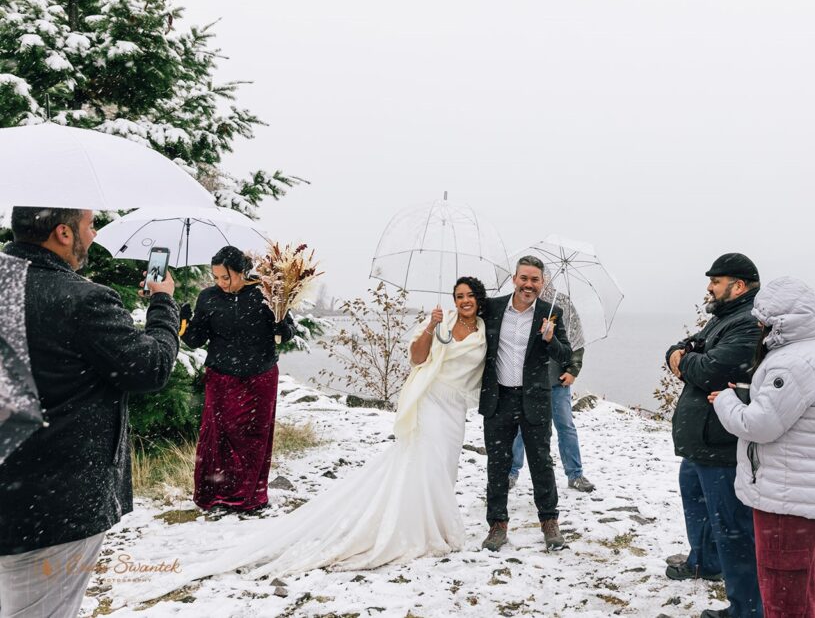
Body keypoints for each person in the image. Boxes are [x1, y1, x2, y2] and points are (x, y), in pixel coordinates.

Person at [114, 277, 488, 603]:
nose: (463, 301)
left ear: (478, 299)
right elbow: (417, 358)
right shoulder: (441, 321)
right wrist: (430, 327)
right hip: (428, 399)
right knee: (420, 459)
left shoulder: (486, 331)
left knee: (444, 462)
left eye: (469, 295)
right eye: (458, 295)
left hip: (455, 407)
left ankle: (438, 519)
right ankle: (413, 525)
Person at [0, 206, 179, 618]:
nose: (94, 235)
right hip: (50, 502)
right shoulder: (81, 299)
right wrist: (164, 303)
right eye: (89, 226)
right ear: (63, 232)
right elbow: (149, 368)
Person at [710, 277, 815, 618]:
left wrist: (724, 400)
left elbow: (760, 425)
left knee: (783, 597)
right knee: (809, 594)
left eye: (763, 316)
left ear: (782, 319)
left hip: (787, 499)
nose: (758, 324)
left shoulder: (791, 362)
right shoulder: (811, 353)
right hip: (804, 493)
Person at [664, 253, 763, 618]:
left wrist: (686, 360)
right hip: (701, 440)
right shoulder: (723, 318)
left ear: (737, 286)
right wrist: (682, 353)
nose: (708, 287)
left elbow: (711, 370)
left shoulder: (749, 323)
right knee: (697, 503)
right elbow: (682, 348)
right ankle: (704, 562)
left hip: (721, 441)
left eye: (715, 281)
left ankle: (748, 609)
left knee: (732, 526)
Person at [179, 245, 297, 513]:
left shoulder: (267, 294)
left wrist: (281, 328)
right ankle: (216, 496)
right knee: (217, 438)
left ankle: (248, 497)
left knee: (254, 438)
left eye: (226, 277)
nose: (221, 283)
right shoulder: (208, 297)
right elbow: (196, 340)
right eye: (216, 277)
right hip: (221, 377)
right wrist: (183, 321)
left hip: (260, 377)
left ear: (243, 272)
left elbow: (288, 330)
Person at [479, 256, 572, 552]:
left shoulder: (551, 313)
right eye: (524, 278)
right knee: (498, 463)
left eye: (534, 280)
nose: (528, 285)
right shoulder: (493, 308)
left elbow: (566, 356)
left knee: (541, 463)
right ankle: (497, 525)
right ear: (514, 279)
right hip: (498, 398)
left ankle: (549, 522)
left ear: (542, 284)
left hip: (535, 399)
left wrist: (549, 339)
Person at [508, 345, 594, 492]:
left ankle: (575, 475)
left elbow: (577, 344)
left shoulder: (570, 320)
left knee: (566, 427)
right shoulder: (525, 320)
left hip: (558, 381)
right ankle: (510, 473)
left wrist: (572, 371)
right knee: (521, 427)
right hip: (529, 380)